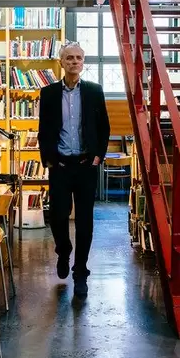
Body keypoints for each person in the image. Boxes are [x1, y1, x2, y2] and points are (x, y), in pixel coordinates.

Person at [38, 42, 110, 298]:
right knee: (57, 217)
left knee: (85, 222)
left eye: (79, 57)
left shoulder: (94, 91)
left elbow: (104, 127)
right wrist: (48, 160)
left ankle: (81, 272)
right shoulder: (48, 93)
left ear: (83, 62)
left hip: (85, 166)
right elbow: (44, 131)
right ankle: (63, 251)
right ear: (61, 62)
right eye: (69, 58)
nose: (74, 62)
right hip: (59, 166)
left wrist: (98, 157)